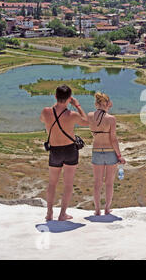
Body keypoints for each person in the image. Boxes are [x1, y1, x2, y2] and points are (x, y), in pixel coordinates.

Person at [40, 85, 88, 221]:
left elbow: (42, 120)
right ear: (69, 98)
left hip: (54, 150)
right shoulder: (72, 115)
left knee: (52, 183)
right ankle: (62, 214)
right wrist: (77, 105)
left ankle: (49, 213)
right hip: (70, 150)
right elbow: (86, 122)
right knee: (68, 184)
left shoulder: (45, 112)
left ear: (55, 96)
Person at [88, 92, 126, 216]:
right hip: (110, 151)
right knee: (109, 183)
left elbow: (94, 132)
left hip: (96, 150)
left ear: (96, 104)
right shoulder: (111, 119)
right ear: (107, 103)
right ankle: (107, 209)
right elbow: (113, 139)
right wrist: (119, 156)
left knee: (97, 182)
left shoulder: (90, 116)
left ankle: (97, 209)